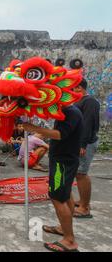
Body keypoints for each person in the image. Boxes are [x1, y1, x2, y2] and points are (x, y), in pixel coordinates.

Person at [23, 103, 83, 252]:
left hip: (63, 162)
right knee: (66, 194)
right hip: (62, 160)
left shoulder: (71, 112)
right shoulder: (66, 110)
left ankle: (69, 240)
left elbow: (59, 134)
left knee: (57, 197)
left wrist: (34, 129)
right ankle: (64, 229)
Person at [73, 79, 100, 219]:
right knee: (79, 173)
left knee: (82, 174)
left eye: (73, 88)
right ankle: (82, 201)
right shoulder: (80, 101)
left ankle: (85, 207)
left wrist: (82, 144)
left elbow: (88, 124)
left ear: (79, 88)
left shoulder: (89, 102)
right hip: (79, 142)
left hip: (86, 143)